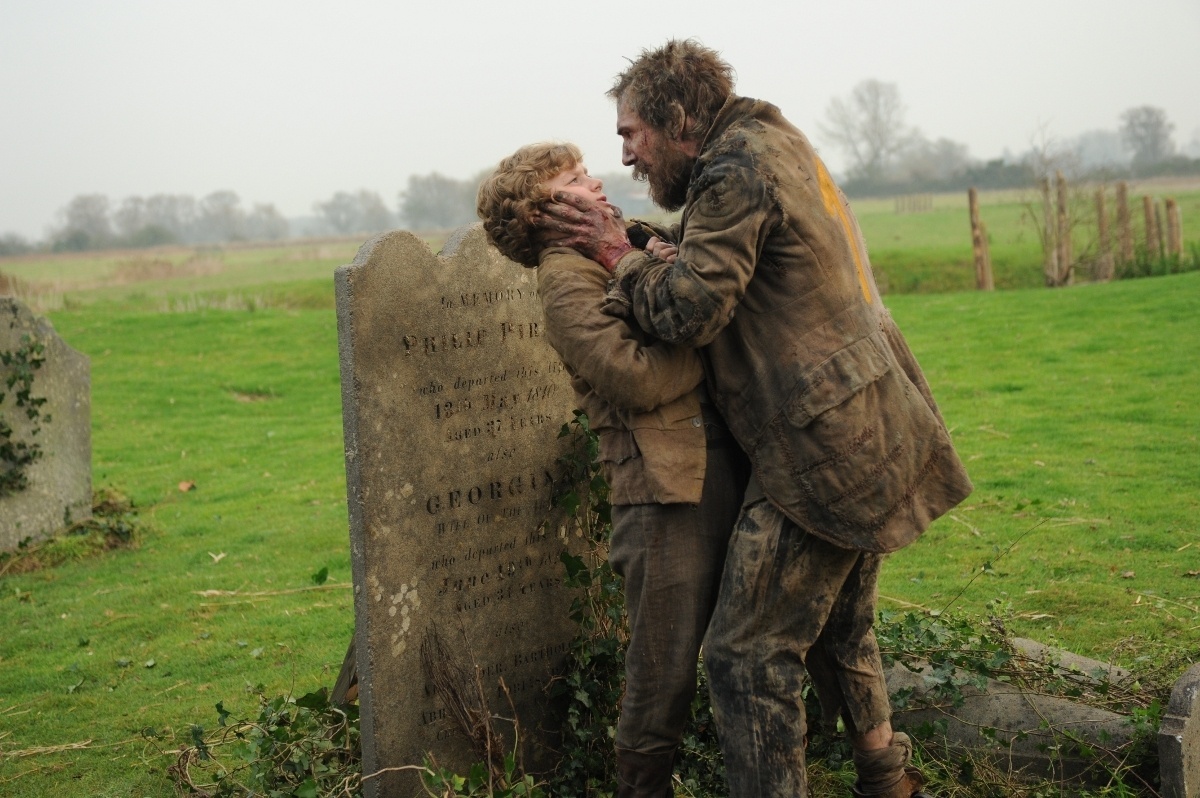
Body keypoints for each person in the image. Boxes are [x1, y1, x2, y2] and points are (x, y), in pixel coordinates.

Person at [537, 40, 973, 798]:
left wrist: (614, 252)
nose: (626, 157)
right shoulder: (769, 139)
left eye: (630, 133)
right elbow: (725, 261)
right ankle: (888, 779)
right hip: (872, 420)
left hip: (826, 445)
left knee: (744, 657)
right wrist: (649, 242)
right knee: (838, 627)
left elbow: (687, 311)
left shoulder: (733, 170)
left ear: (678, 119)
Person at [476, 142, 750, 798]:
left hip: (708, 468)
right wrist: (707, 343)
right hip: (663, 495)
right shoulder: (565, 277)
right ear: (546, 210)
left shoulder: (618, 244)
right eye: (574, 179)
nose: (595, 178)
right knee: (662, 673)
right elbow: (630, 377)